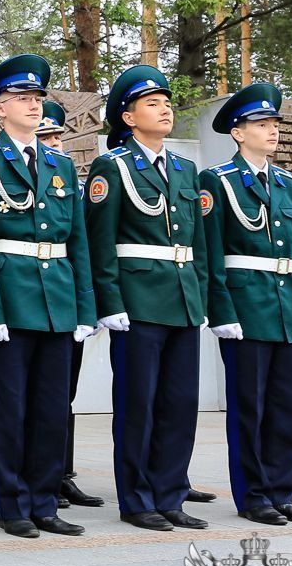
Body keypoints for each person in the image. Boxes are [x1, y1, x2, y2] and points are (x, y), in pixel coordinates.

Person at [0, 56, 95, 538]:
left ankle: (45, 502)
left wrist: (85, 306)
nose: (34, 106)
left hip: (57, 298)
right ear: (0, 108)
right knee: (12, 410)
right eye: (22, 98)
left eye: (37, 98)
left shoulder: (60, 164)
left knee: (52, 409)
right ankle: (15, 506)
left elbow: (78, 241)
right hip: (11, 298)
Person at [85, 65, 209, 532]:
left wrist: (200, 298)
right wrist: (110, 303)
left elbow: (196, 243)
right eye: (152, 104)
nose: (165, 109)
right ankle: (137, 500)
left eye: (167, 102)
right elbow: (100, 242)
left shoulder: (185, 169)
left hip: (182, 299)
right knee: (138, 404)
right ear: (128, 117)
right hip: (137, 301)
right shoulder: (113, 167)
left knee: (180, 403)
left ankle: (170, 495)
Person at [200, 83, 292, 526]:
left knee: (286, 409)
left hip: (285, 307)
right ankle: (253, 496)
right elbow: (212, 252)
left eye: (274, 124)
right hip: (246, 307)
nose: (272, 131)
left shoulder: (286, 183)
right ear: (238, 132)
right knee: (249, 408)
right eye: (262, 124)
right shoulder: (217, 181)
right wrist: (222, 312)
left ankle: (281, 493)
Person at [37, 100, 105, 510]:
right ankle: (39, 476)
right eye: (45, 137)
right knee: (40, 394)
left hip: (70, 300)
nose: (54, 143)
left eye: (57, 137)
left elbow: (86, 248)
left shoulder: (75, 188)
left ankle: (62, 474)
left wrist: (88, 305)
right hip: (35, 296)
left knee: (65, 393)